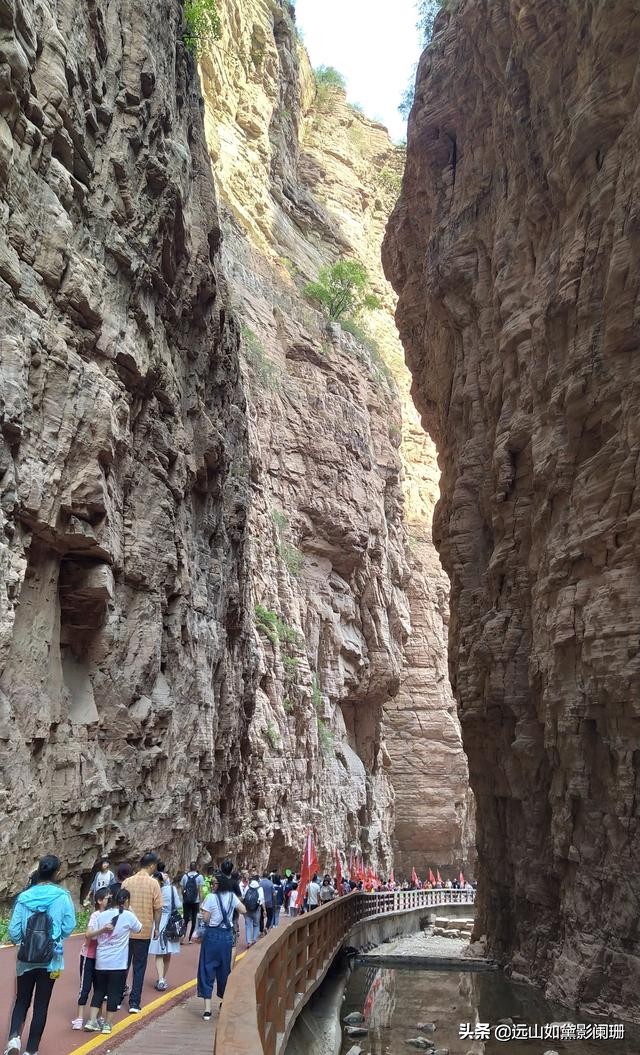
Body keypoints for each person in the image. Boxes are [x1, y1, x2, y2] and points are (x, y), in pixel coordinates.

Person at [4, 855, 76, 1055]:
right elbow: (69, 926)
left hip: (25, 959)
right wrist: (56, 937)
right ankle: (31, 1050)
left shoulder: (24, 897)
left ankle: (14, 1040)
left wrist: (21, 940)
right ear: (56, 873)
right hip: (51, 960)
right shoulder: (62, 897)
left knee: (21, 1000)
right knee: (41, 1005)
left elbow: (14, 931)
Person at [83, 890, 142, 1036]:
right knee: (114, 993)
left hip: (101, 961)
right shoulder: (128, 916)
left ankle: (92, 1020)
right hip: (118, 963)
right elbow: (139, 929)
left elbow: (93, 934)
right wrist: (131, 911)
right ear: (126, 900)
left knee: (98, 991)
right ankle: (108, 1025)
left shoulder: (102, 915)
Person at [197, 876, 246, 1020]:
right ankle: (223, 1002)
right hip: (226, 937)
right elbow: (243, 910)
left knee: (207, 969)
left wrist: (207, 914)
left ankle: (207, 1010)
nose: (212, 885)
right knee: (224, 969)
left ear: (219, 884)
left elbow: (205, 918)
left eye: (214, 883)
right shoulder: (231, 896)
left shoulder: (211, 897)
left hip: (212, 935)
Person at [121, 852, 162, 1013]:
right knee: (139, 967)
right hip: (144, 931)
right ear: (151, 866)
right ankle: (134, 1003)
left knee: (123, 965)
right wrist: (156, 928)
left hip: (126, 931)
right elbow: (158, 908)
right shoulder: (154, 884)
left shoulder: (127, 882)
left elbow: (121, 904)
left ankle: (117, 999)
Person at [72, 889, 111, 1029]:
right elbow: (89, 934)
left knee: (100, 988)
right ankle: (79, 1017)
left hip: (103, 958)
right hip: (89, 956)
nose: (109, 900)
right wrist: (103, 930)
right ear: (99, 901)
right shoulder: (96, 915)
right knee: (85, 987)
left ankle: (99, 1016)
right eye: (107, 898)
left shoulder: (112, 915)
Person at [148, 870, 182, 991]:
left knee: (159, 953)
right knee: (168, 953)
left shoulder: (155, 890)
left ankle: (161, 978)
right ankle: (162, 979)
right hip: (171, 923)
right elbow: (178, 905)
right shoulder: (172, 889)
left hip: (159, 922)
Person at [181, 861, 204, 944]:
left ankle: (182, 937)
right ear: (196, 868)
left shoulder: (184, 876)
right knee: (194, 919)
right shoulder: (199, 877)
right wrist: (201, 902)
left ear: (189, 867)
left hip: (186, 901)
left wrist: (185, 897)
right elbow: (200, 890)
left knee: (185, 919)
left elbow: (182, 889)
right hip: (196, 901)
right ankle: (190, 938)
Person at [242, 874, 264, 945]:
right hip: (256, 910)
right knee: (256, 925)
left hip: (247, 909)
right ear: (258, 880)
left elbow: (243, 897)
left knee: (248, 925)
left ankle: (248, 941)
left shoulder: (248, 887)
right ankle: (254, 940)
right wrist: (264, 910)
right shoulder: (260, 888)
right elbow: (261, 900)